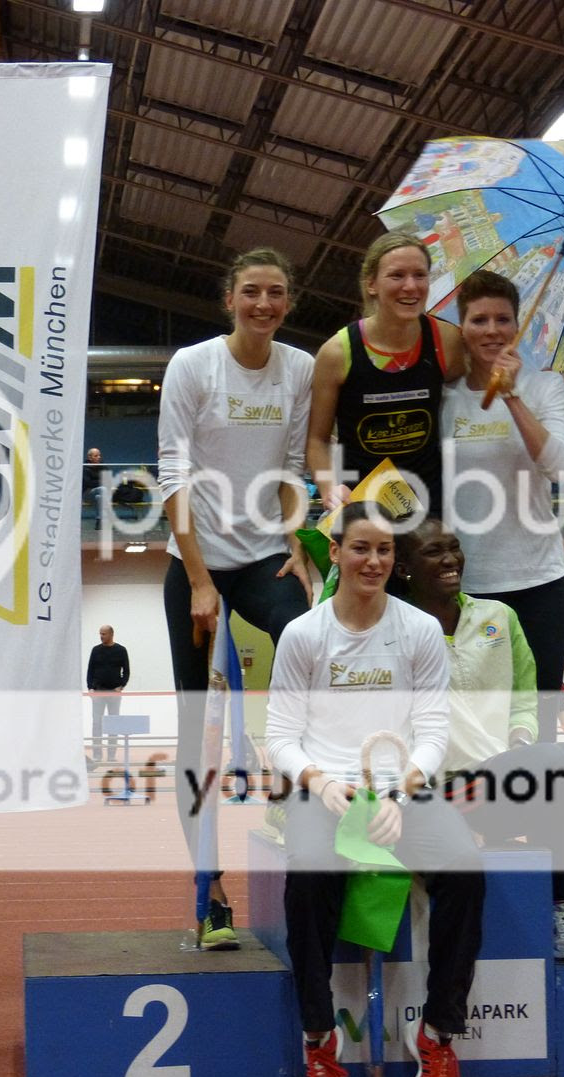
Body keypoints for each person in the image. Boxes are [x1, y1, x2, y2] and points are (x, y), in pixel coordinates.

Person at [266, 502, 484, 1077]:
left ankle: (437, 1033)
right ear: (335, 553)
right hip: (327, 791)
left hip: (401, 791)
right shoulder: (303, 635)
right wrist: (320, 783)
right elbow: (280, 738)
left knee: (465, 869)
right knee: (307, 877)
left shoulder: (419, 630)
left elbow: (433, 734)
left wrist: (400, 793)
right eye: (361, 548)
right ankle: (320, 1036)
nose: (373, 561)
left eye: (384, 550)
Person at [158, 247, 315, 949]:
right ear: (230, 298)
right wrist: (198, 579)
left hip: (263, 557)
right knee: (198, 730)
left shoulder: (299, 369)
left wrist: (297, 541)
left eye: (276, 293)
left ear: (288, 302)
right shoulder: (194, 366)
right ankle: (210, 888)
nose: (264, 304)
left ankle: (292, 794)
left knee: (307, 640)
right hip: (196, 559)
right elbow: (173, 472)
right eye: (251, 291)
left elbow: (292, 468)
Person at [395, 518, 564, 961]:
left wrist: (522, 743)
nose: (450, 559)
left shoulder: (498, 618)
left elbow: (525, 698)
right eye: (433, 552)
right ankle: (558, 906)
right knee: (552, 769)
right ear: (404, 568)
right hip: (447, 793)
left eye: (454, 547)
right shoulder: (395, 630)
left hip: (507, 777)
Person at [441, 270, 564, 744]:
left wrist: (513, 395)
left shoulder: (545, 386)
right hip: (467, 585)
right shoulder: (444, 398)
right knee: (475, 727)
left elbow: (559, 466)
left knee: (539, 723)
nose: (492, 330)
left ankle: (540, 796)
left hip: (539, 582)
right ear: (462, 327)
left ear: (518, 326)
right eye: (479, 320)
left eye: (503, 319)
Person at [306, 231, 465, 517]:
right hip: (361, 511)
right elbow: (317, 440)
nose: (411, 286)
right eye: (397, 275)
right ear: (371, 284)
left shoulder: (447, 340)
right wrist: (330, 488)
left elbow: (474, 394)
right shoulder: (337, 352)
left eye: (420, 275)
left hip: (429, 513)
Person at [85, 625, 130, 764]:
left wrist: (121, 686)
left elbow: (126, 671)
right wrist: (90, 688)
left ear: (111, 634)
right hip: (98, 692)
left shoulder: (121, 650)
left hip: (114, 693)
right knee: (97, 723)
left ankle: (111, 755)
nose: (101, 636)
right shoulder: (95, 650)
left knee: (113, 724)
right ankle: (97, 755)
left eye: (104, 634)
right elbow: (90, 670)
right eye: (100, 633)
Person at [81, 448, 107, 528]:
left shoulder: (102, 466)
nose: (99, 457)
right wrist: (101, 481)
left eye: (99, 455)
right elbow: (88, 483)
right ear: (90, 457)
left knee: (99, 497)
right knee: (103, 489)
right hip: (87, 493)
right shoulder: (85, 467)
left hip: (98, 493)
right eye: (96, 456)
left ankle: (99, 521)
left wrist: (96, 482)